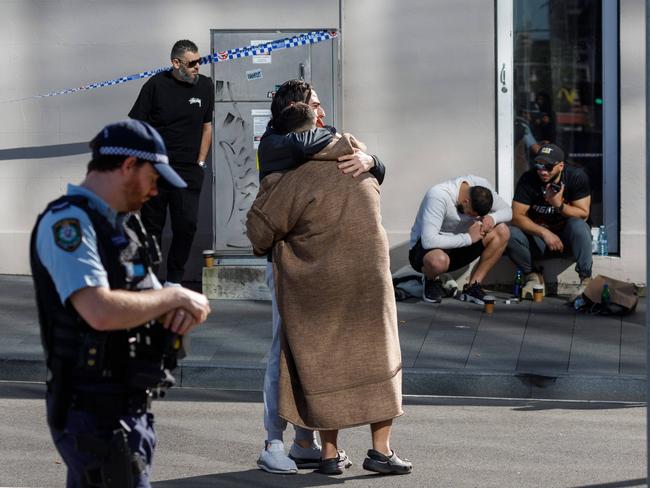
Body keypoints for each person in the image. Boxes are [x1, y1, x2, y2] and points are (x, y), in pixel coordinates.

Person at [30, 120, 212, 488]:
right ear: (128, 165)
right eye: (153, 177)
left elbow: (148, 297)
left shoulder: (127, 227)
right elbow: (99, 311)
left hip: (127, 406)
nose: (155, 190)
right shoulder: (68, 223)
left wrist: (171, 309)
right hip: (91, 410)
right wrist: (175, 295)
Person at [247, 102, 412, 476]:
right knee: (379, 356)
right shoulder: (359, 163)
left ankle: (328, 454)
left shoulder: (296, 178)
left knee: (324, 363)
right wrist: (372, 160)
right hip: (371, 282)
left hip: (319, 287)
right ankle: (381, 450)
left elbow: (259, 233)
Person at [129, 39, 214, 286]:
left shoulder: (205, 86)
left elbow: (207, 127)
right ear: (176, 63)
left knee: (186, 226)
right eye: (192, 63)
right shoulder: (155, 86)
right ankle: (150, 279)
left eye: (200, 61)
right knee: (151, 228)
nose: (198, 66)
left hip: (188, 170)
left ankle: (174, 280)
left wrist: (200, 162)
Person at [507, 143, 592, 297]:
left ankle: (586, 280)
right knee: (510, 233)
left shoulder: (576, 177)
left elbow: (583, 214)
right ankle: (532, 276)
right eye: (539, 164)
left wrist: (558, 204)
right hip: (540, 241)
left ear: (560, 166)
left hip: (568, 241)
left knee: (578, 225)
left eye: (548, 166)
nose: (542, 170)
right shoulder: (529, 178)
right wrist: (544, 233)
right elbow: (516, 216)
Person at [409, 176, 512, 304]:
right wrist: (468, 238)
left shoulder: (482, 187)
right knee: (438, 260)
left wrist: (492, 218)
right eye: (472, 214)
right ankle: (430, 280)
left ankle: (473, 286)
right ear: (465, 201)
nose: (474, 218)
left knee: (502, 231)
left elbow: (508, 211)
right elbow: (428, 241)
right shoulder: (438, 195)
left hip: (458, 248)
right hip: (426, 252)